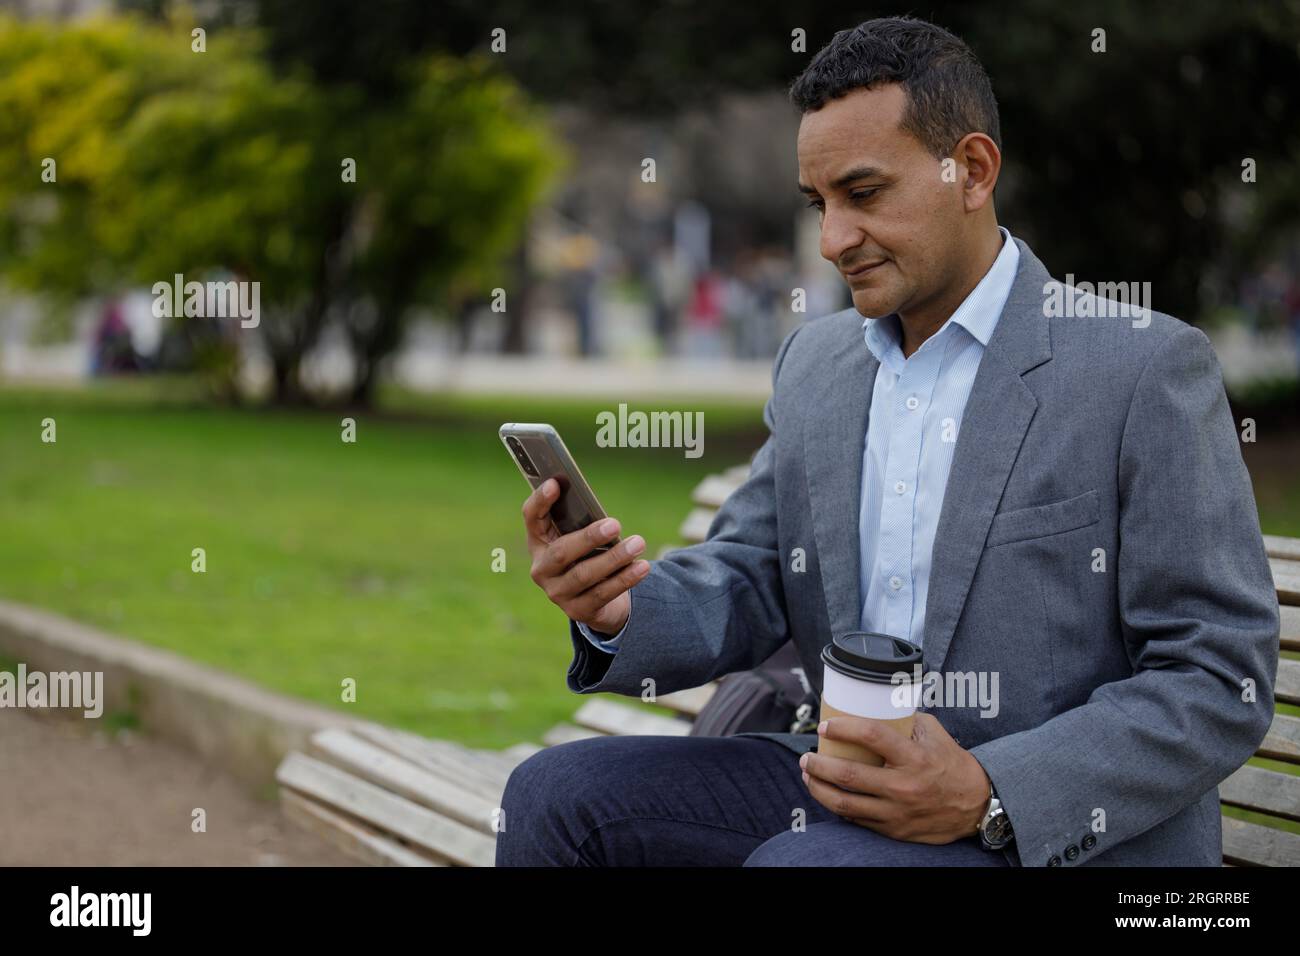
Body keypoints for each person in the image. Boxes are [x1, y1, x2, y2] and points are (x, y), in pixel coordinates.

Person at [497, 16, 1279, 867]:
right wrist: (617, 609)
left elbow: (1217, 678)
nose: (833, 240)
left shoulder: (1144, 370)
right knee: (552, 799)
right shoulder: (818, 363)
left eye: (863, 195)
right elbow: (754, 574)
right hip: (843, 786)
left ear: (972, 171)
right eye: (819, 204)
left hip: (1053, 835)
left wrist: (988, 790)